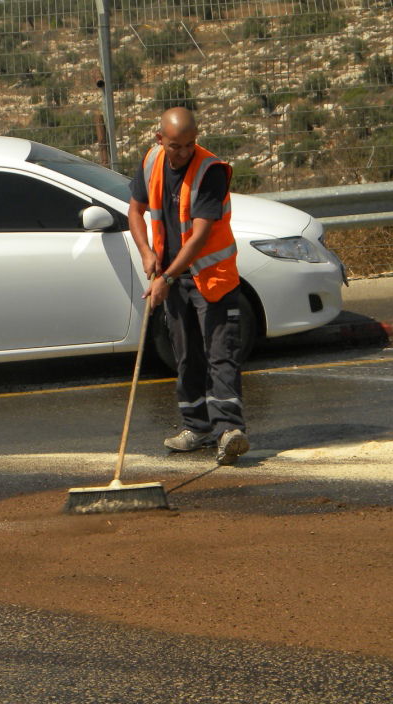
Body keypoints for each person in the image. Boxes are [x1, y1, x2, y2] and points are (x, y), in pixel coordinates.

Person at [128, 107, 249, 466]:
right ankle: (196, 428)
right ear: (159, 139)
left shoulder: (210, 171)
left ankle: (229, 430)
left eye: (189, 145)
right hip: (174, 278)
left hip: (212, 279)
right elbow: (135, 211)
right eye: (176, 146)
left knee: (220, 354)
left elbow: (198, 238)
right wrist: (147, 252)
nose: (183, 153)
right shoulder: (151, 162)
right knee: (186, 356)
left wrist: (164, 278)